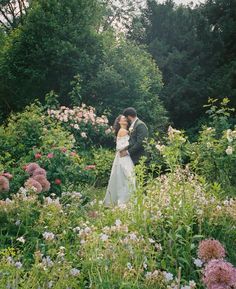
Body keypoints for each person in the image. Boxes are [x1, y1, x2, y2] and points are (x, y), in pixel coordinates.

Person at [104, 115, 136, 206]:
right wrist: (129, 147)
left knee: (124, 179)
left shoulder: (125, 131)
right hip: (124, 158)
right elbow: (119, 147)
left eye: (126, 118)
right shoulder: (123, 131)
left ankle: (125, 200)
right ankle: (125, 201)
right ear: (119, 122)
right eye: (123, 118)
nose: (125, 119)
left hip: (124, 157)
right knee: (128, 179)